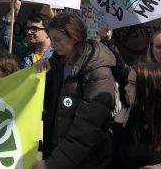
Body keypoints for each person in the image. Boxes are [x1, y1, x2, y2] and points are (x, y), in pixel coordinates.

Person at [32, 12, 116, 169]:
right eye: (52, 39)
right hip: (56, 152)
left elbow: (87, 130)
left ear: (75, 38)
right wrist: (35, 77)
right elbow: (38, 102)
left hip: (86, 161)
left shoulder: (99, 73)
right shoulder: (56, 64)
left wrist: (53, 163)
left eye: (58, 40)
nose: (53, 45)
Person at [112, 63, 161, 168]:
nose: (126, 88)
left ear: (150, 88)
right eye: (127, 82)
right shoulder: (123, 116)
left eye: (132, 84)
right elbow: (115, 160)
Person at [0, 0, 54, 68]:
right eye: (27, 29)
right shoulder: (26, 52)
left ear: (48, 31)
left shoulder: (57, 54)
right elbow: (4, 38)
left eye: (34, 29)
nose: (29, 32)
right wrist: (13, 12)